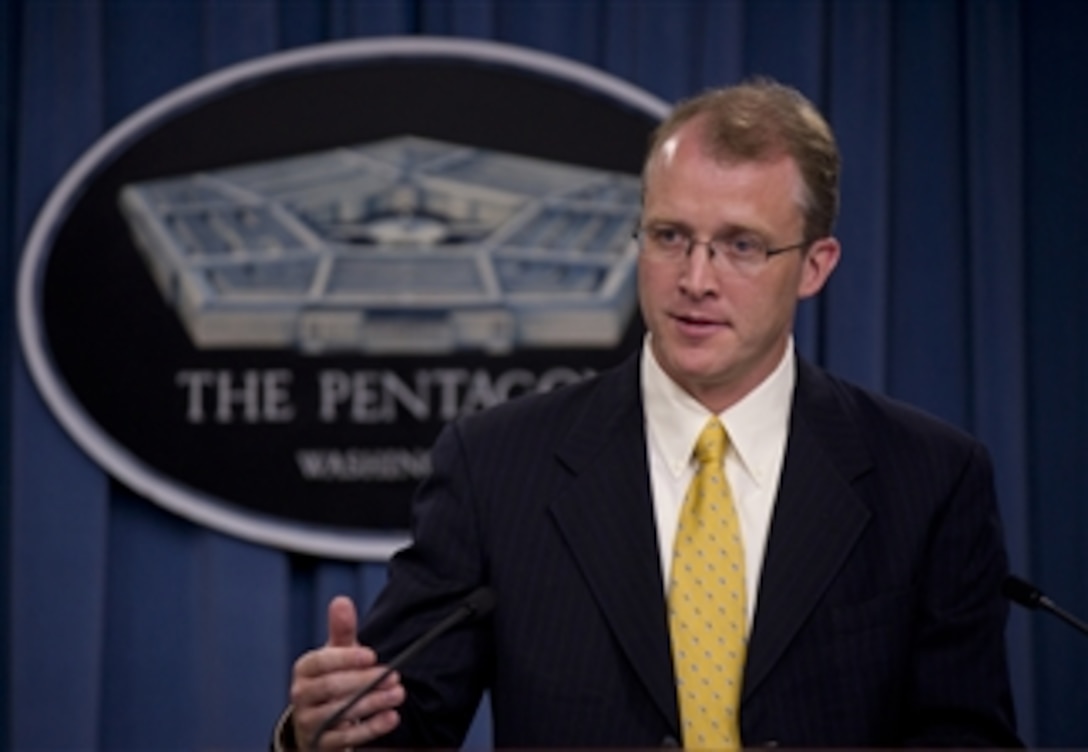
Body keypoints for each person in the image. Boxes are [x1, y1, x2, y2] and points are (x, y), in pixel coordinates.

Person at [277, 78, 1021, 750]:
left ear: (816, 265)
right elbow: (400, 723)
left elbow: (965, 738)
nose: (696, 280)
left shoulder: (928, 479)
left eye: (741, 246)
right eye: (670, 237)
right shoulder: (496, 465)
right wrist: (323, 736)